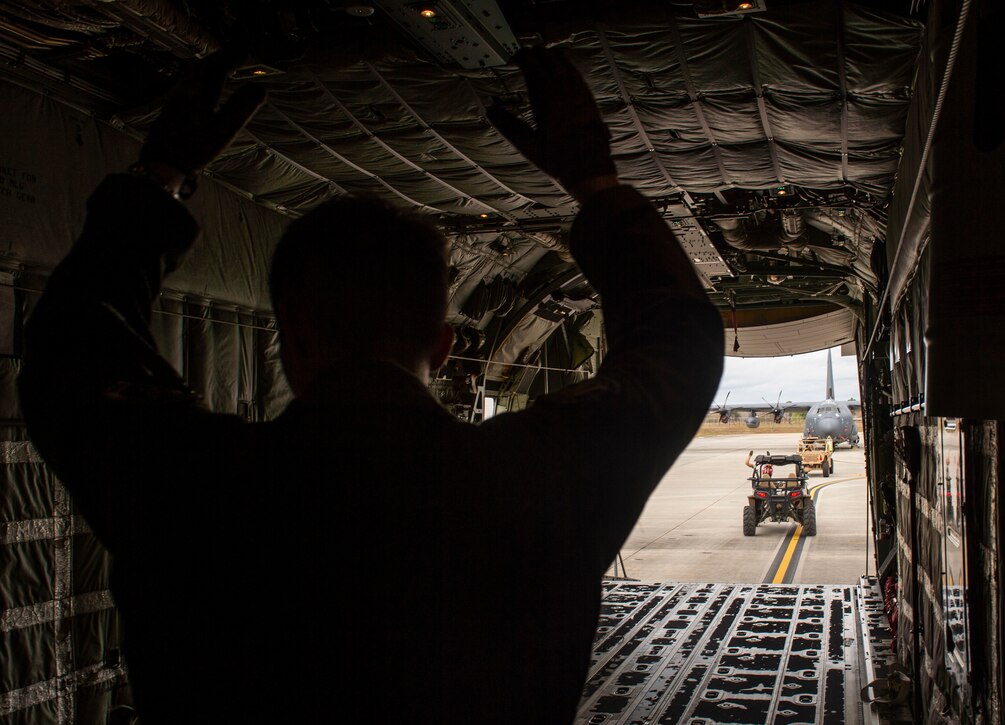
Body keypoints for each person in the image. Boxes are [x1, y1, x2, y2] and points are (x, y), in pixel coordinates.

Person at [17, 47, 723, 723]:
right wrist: (595, 183)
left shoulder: (190, 483)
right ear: (444, 347)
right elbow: (678, 345)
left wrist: (160, 174)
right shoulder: (534, 480)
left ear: (290, 335)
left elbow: (72, 344)